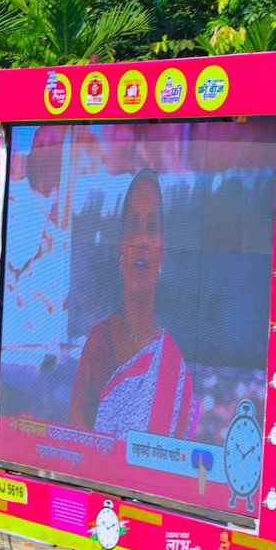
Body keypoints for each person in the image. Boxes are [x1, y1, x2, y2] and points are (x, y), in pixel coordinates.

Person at [69, 170, 198, 439]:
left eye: (151, 227)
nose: (141, 241)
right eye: (132, 227)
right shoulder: (99, 341)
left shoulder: (174, 362)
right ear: (121, 248)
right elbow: (77, 436)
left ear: (162, 247)